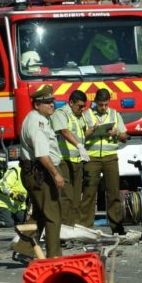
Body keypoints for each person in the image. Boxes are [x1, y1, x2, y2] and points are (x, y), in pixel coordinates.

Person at [16, 85, 70, 259]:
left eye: (52, 102)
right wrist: (56, 174)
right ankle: (54, 256)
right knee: (53, 214)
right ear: (37, 105)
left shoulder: (38, 119)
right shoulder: (37, 123)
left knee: (40, 213)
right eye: (47, 103)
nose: (51, 105)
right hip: (41, 173)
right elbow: (42, 155)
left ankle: (24, 250)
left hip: (36, 171)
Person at [82, 88, 128, 234]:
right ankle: (86, 228)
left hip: (110, 157)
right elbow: (79, 135)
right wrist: (91, 130)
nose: (103, 108)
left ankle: (117, 226)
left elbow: (124, 137)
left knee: (113, 192)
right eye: (101, 104)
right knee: (89, 193)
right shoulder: (86, 115)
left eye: (106, 104)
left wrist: (116, 133)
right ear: (95, 102)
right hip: (92, 157)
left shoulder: (114, 114)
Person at [51, 89, 90, 227]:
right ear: (71, 102)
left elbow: (84, 132)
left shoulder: (79, 116)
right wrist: (79, 145)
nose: (82, 109)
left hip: (77, 161)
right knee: (66, 197)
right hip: (64, 161)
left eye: (84, 106)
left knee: (75, 198)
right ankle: (64, 228)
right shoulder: (61, 113)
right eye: (80, 106)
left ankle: (73, 227)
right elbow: (64, 131)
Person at [0, 160, 28, 228]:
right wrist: (13, 195)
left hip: (18, 205)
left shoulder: (30, 174)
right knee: (9, 223)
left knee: (23, 221)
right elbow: (3, 186)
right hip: (4, 203)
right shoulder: (15, 171)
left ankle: (11, 216)